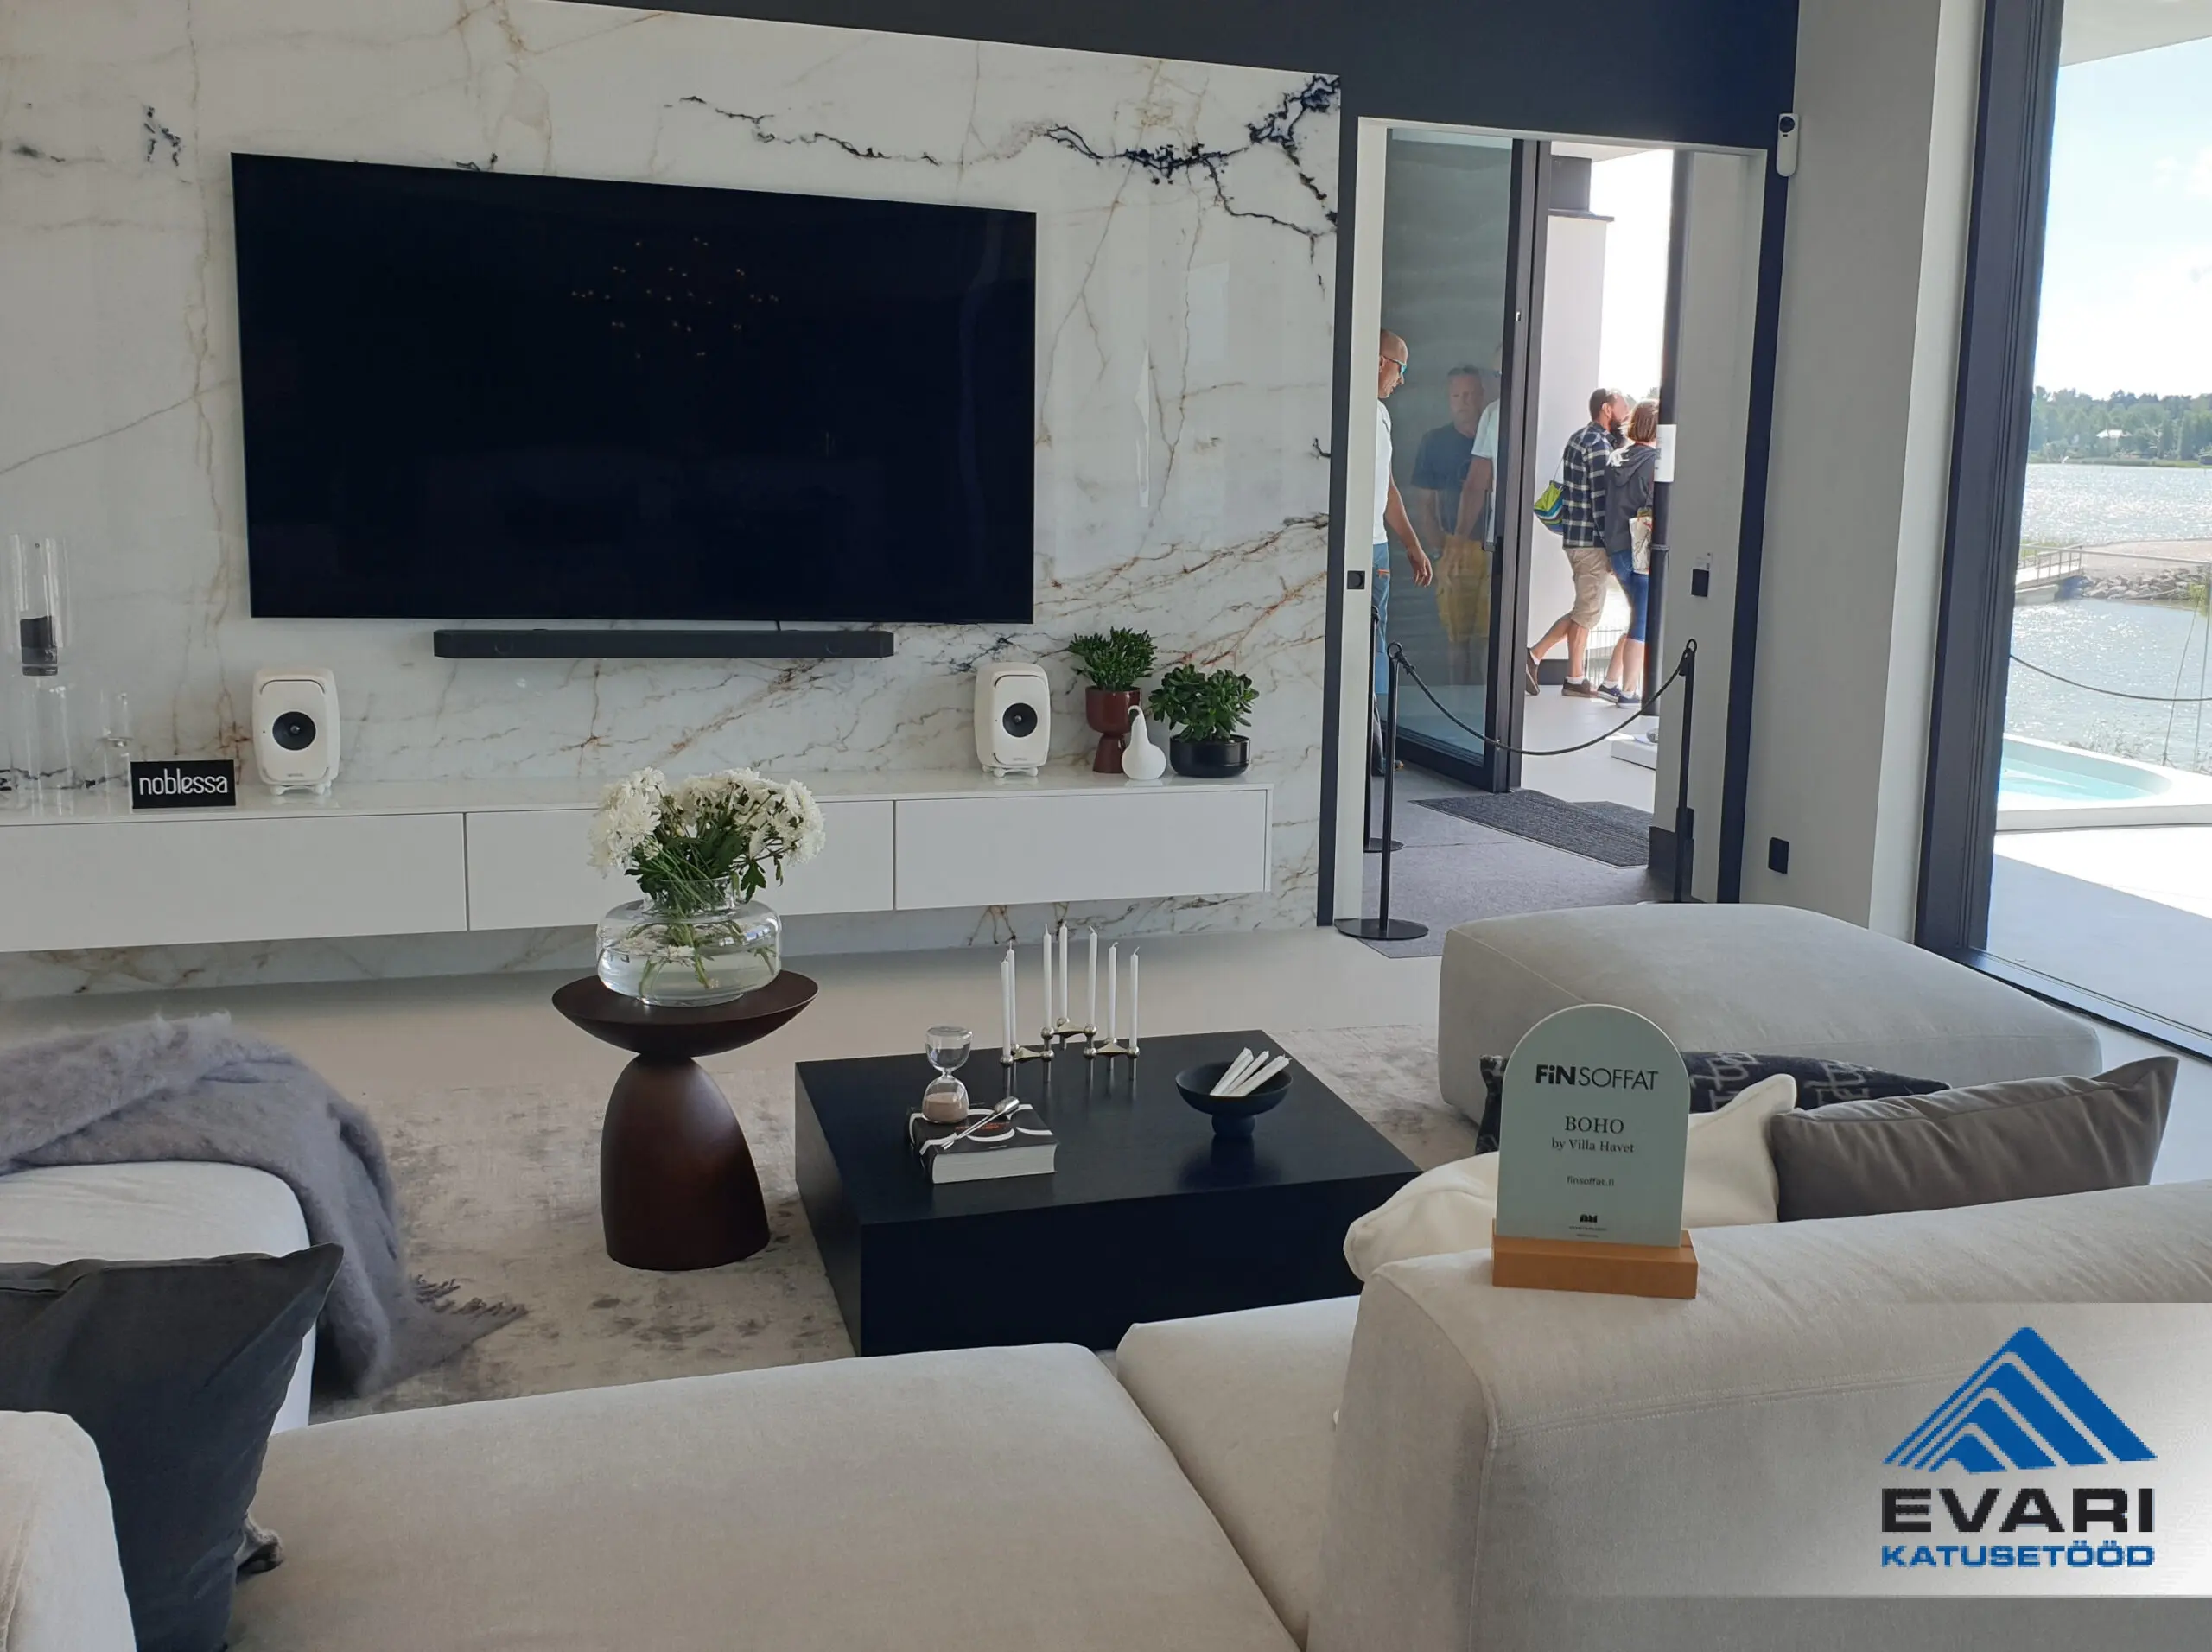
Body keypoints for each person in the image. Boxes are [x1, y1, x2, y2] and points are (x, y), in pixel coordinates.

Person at [1525, 388, 1630, 697]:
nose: (1626, 414)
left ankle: (1573, 677)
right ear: (1607, 409)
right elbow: (1601, 502)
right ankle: (1535, 656)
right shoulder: (1597, 445)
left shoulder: (1579, 437)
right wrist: (1613, 547)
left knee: (1585, 608)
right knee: (1588, 611)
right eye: (1623, 408)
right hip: (1590, 542)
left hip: (1576, 537)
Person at [1409, 366, 1497, 676]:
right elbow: (1425, 504)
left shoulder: (1499, 433)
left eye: (1470, 394)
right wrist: (1440, 551)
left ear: (1482, 396)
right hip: (1454, 547)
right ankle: (1456, 695)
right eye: (1457, 395)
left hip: (1494, 546)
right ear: (1448, 399)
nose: (1464, 402)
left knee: (1491, 637)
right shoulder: (1434, 442)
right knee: (1457, 637)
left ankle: (1486, 696)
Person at [1372, 329, 1434, 706]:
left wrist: (1412, 544)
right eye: (1402, 368)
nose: (1402, 379)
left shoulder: (1381, 415)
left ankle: (1372, 727)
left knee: (1375, 640)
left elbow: (1388, 486)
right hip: (1351, 549)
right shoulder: (1348, 410)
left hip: (1376, 548)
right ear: (1381, 361)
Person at [1598, 398, 1661, 706]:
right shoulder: (1655, 464)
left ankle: (1609, 682)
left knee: (1637, 615)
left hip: (1618, 550)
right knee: (1643, 623)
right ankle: (1629, 691)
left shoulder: (1615, 458)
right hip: (1644, 553)